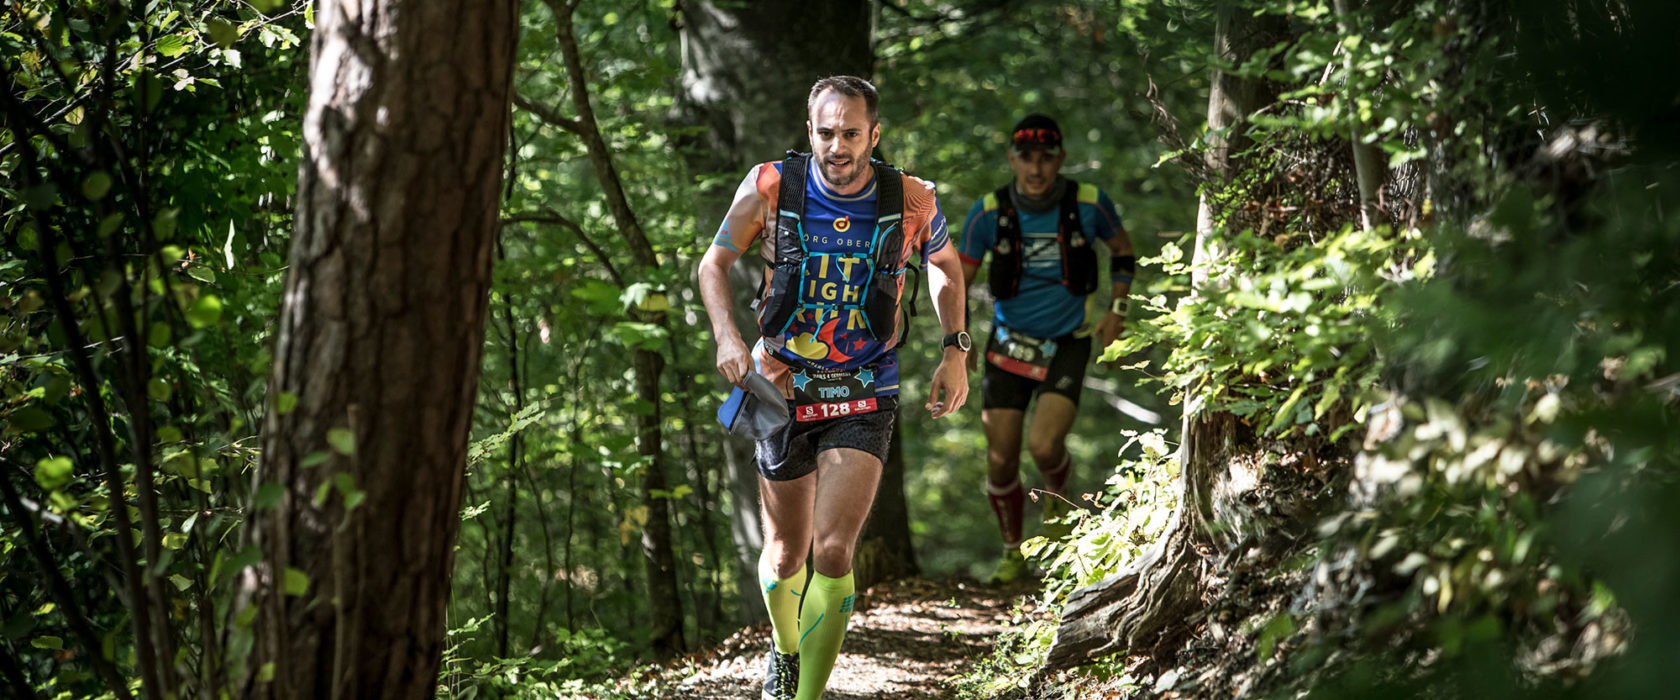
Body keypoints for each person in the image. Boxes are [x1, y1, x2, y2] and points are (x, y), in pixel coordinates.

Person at [697, 75, 970, 700]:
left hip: (865, 387)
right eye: (826, 133)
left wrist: (954, 350)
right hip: (780, 387)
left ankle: (807, 696)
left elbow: (945, 267)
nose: (838, 146)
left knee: (836, 551)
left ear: (874, 133)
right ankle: (785, 651)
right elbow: (714, 264)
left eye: (851, 133)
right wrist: (727, 337)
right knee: (787, 554)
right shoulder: (770, 186)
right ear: (810, 132)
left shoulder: (913, 198)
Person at [958, 114, 1135, 584]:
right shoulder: (989, 211)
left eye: (1046, 159)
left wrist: (1117, 308)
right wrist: (957, 339)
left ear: (1060, 159)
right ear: (1012, 160)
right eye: (1026, 159)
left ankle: (1058, 508)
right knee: (1000, 457)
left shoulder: (1089, 203)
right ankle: (1013, 552)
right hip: (1008, 344)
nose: (1036, 170)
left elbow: (1122, 251)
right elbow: (959, 277)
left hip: (1067, 343)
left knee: (1043, 445)